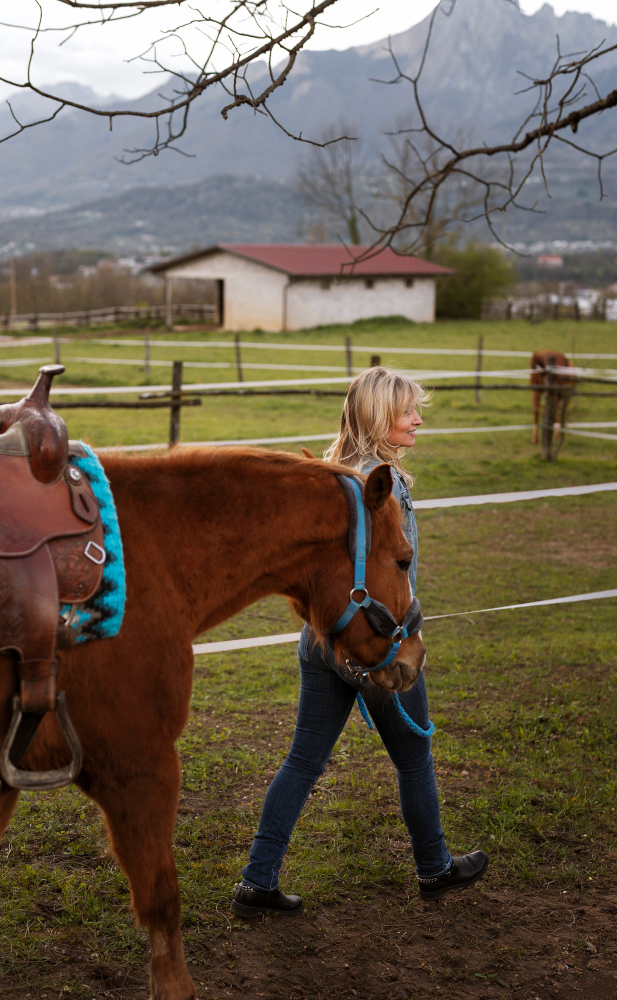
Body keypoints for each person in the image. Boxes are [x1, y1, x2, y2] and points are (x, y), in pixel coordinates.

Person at [231, 367, 488, 918]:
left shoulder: (334, 473)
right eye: (407, 410)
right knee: (414, 758)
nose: (418, 418)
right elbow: (388, 576)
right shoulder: (381, 487)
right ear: (378, 416)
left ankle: (257, 881)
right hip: (376, 643)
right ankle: (434, 866)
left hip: (322, 640)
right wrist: (403, 634)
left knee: (302, 760)